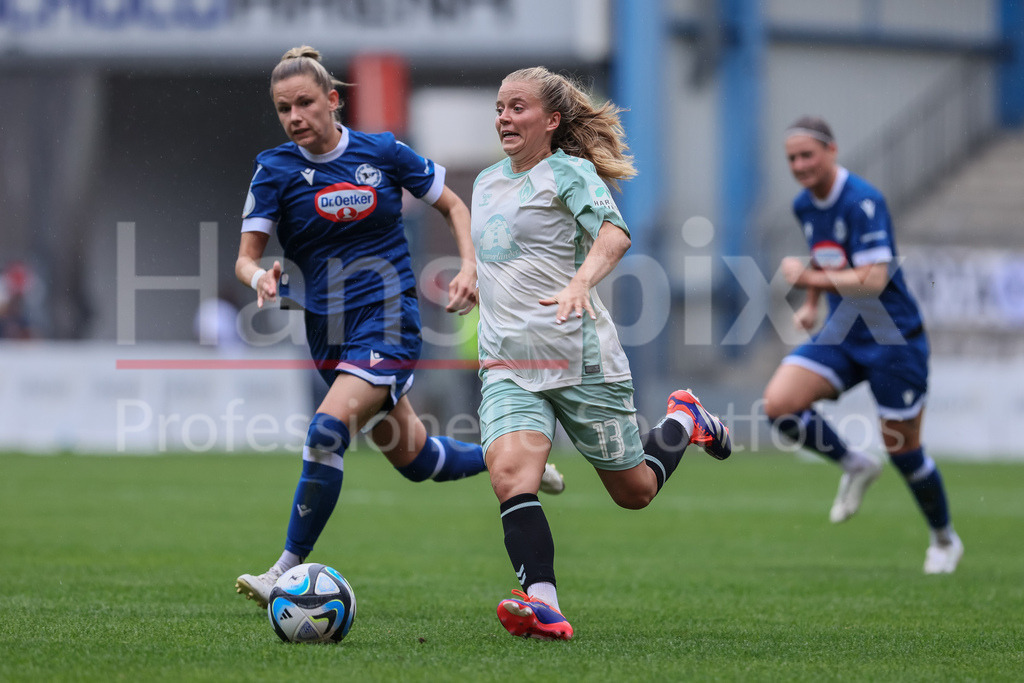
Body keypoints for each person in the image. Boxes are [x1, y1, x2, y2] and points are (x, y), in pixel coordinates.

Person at [232, 47, 564, 608]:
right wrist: (258, 278)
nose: (294, 117)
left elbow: (455, 205)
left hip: (388, 322)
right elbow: (245, 257)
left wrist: (468, 267)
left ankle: (283, 568)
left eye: (305, 103)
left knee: (324, 433)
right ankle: (514, 459)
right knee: (416, 461)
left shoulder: (381, 152)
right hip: (329, 333)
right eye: (284, 108)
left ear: (333, 101)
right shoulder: (275, 170)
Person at [472, 66, 732, 641]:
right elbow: (491, 249)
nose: (504, 118)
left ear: (552, 120)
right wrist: (470, 274)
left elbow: (614, 233)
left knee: (634, 492)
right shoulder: (486, 181)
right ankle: (542, 602)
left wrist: (579, 283)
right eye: (500, 107)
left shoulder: (569, 173)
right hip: (508, 364)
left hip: (580, 359)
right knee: (511, 474)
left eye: (518, 108)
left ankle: (684, 418)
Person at [762, 116, 963, 574]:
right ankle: (855, 463)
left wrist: (807, 280)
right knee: (779, 405)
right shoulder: (805, 204)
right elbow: (825, 251)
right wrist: (813, 303)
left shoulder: (865, 201)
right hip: (842, 334)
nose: (799, 165)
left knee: (904, 451)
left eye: (807, 155)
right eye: (791, 158)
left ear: (832, 151)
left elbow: (873, 280)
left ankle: (944, 539)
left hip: (894, 341)